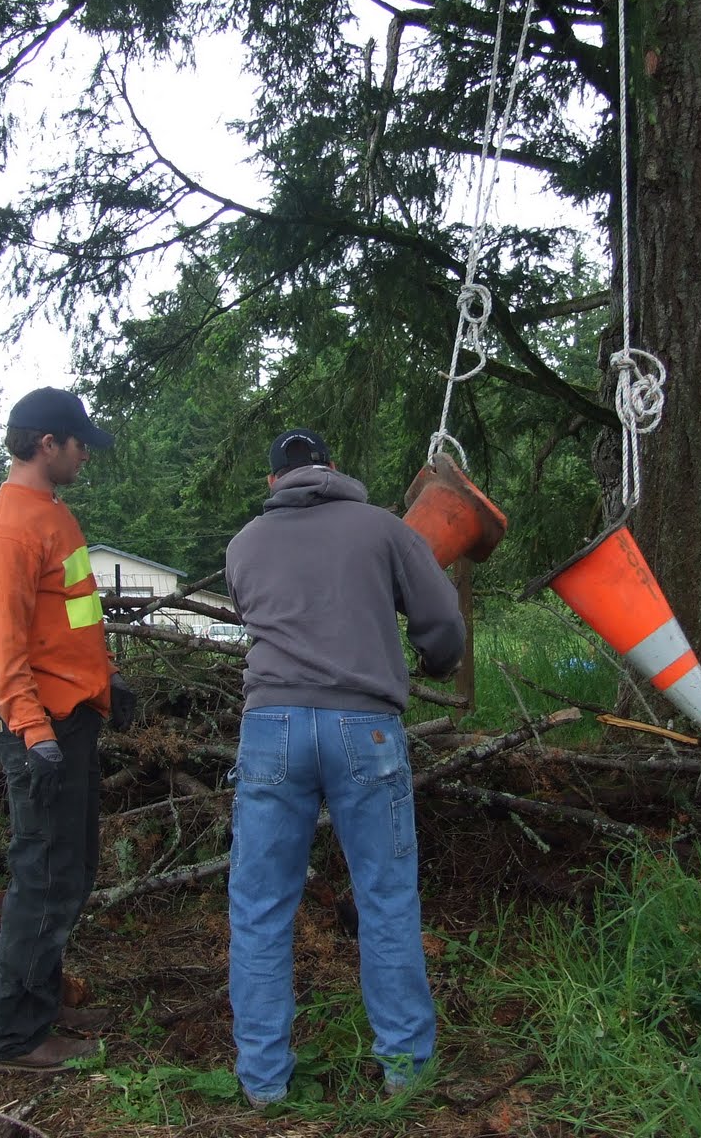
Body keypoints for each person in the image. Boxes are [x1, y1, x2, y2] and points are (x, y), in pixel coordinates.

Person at [223, 427, 465, 1106]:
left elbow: (253, 613)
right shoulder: (382, 528)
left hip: (271, 729)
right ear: (334, 467)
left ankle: (264, 1083)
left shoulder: (245, 544)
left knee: (260, 905)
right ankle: (406, 1074)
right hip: (367, 727)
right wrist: (436, 660)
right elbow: (441, 620)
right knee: (386, 899)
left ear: (273, 483)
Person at [0, 386, 137, 1074]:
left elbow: (64, 624)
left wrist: (102, 683)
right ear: (47, 445)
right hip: (41, 730)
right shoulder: (11, 528)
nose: (85, 457)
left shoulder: (51, 515)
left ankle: (44, 1003)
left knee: (71, 868)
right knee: (42, 876)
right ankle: (18, 1037)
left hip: (71, 718)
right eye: (79, 445)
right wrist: (32, 728)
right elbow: (0, 646)